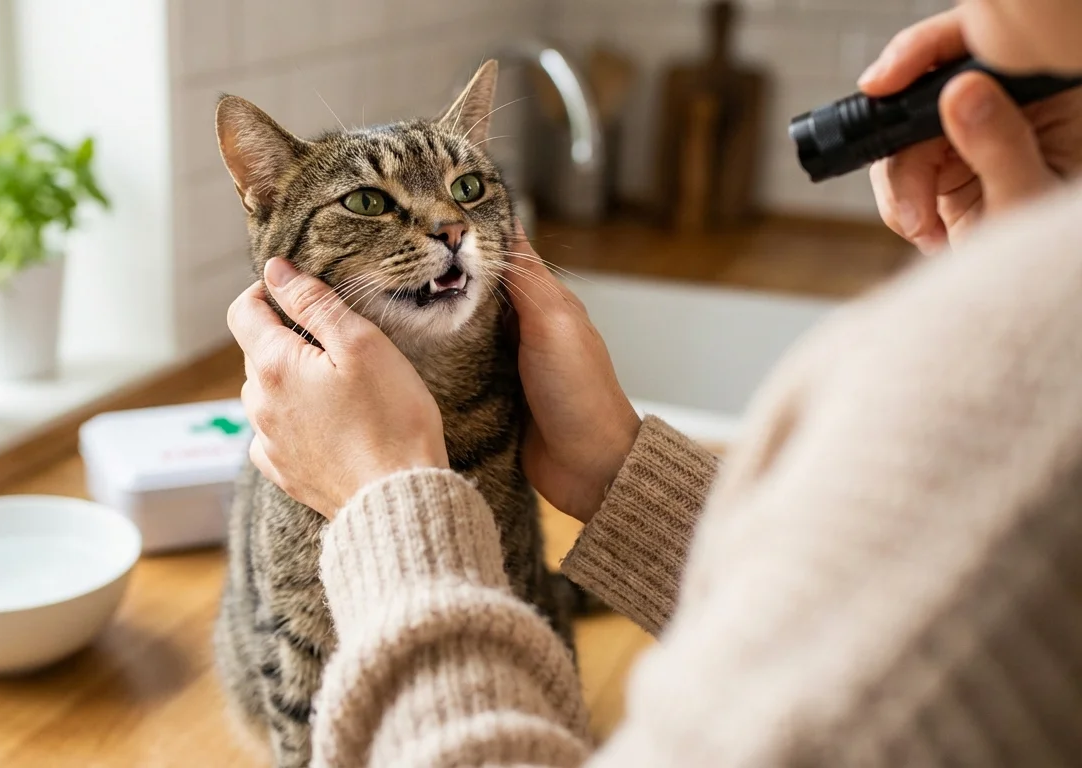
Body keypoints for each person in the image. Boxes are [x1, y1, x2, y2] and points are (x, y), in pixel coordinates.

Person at [226, 3, 1082, 765]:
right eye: (371, 206)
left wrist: (389, 500)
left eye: (469, 189)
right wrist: (612, 465)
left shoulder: (1042, 354)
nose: (448, 226)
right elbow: (833, 627)